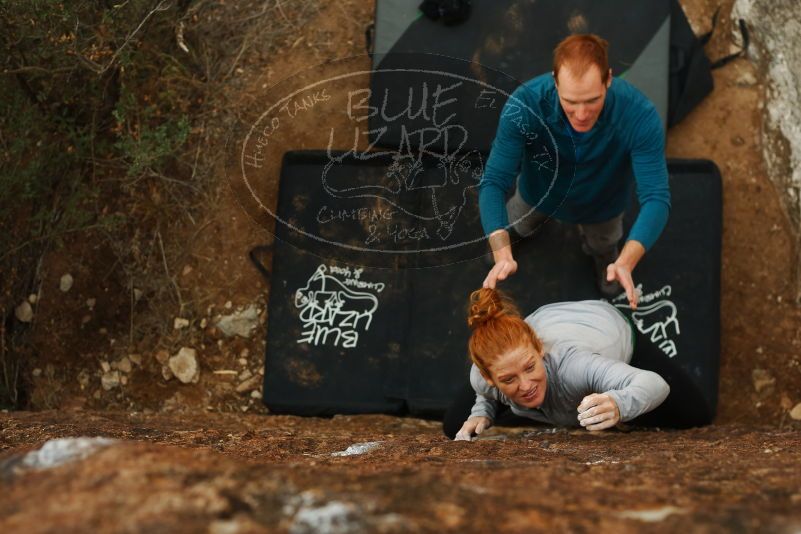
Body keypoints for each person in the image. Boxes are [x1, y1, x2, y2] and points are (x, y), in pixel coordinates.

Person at [479, 33, 671, 308]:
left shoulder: (638, 115)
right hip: (537, 195)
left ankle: (609, 264)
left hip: (602, 206)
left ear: (608, 80)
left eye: (592, 100)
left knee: (604, 245)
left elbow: (656, 197)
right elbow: (495, 181)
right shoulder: (525, 106)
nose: (581, 114)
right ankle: (507, 250)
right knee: (515, 225)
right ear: (555, 82)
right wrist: (501, 249)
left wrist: (626, 262)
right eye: (571, 101)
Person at [443, 288, 670, 440]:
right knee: (457, 425)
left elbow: (656, 384)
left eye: (530, 367)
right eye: (508, 379)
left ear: (539, 349)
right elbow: (486, 395)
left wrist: (619, 404)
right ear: (488, 379)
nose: (525, 385)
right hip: (548, 320)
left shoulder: (575, 366)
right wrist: (483, 411)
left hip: (609, 325)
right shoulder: (480, 380)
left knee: (692, 414)